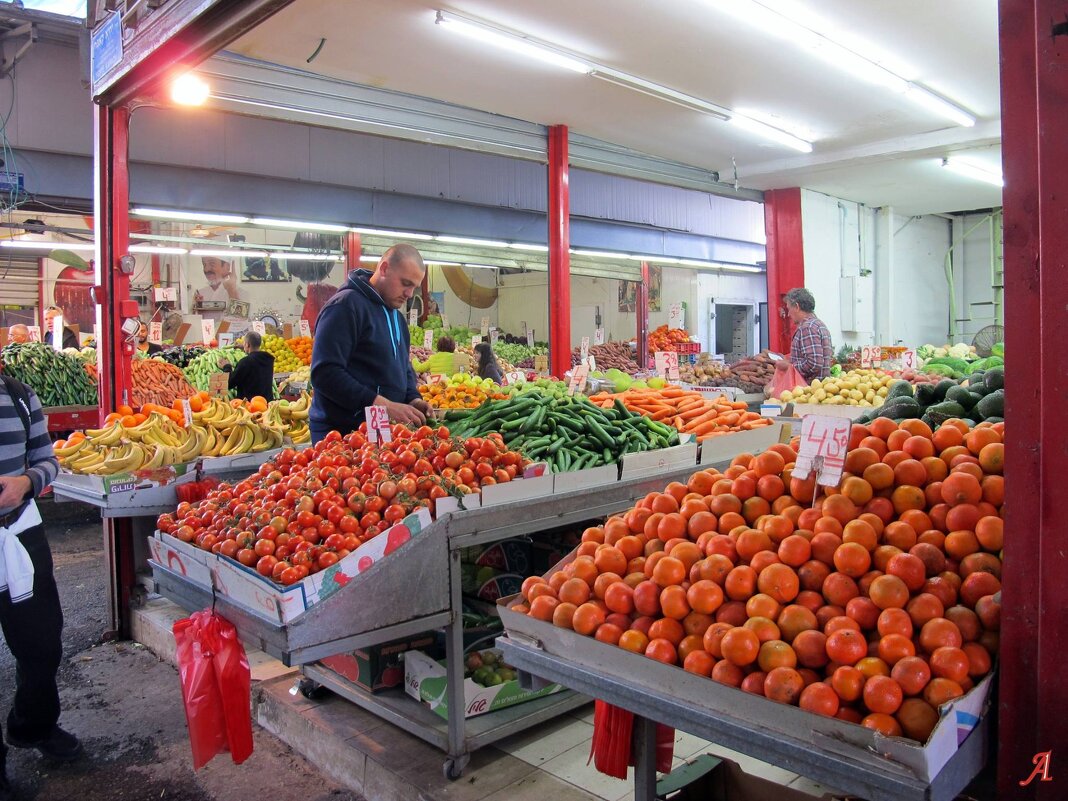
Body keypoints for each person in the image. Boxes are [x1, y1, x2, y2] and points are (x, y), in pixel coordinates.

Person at [0, 375, 83, 797]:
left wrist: (27, 483)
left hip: (21, 532)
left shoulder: (18, 395)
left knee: (42, 642)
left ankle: (33, 725)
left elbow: (47, 459)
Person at [310, 244, 432, 442]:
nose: (410, 294)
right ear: (384, 269)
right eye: (405, 283)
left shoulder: (397, 318)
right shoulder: (345, 307)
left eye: (414, 287)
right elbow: (325, 372)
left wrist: (413, 398)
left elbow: (404, 367)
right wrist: (380, 404)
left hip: (378, 432)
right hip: (340, 434)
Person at [778, 287, 833, 383]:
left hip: (809, 388)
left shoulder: (807, 328)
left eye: (789, 309)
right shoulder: (819, 324)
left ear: (797, 306)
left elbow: (814, 363)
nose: (788, 314)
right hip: (819, 387)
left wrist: (789, 367)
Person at [219, 331, 275, 401]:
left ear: (247, 345)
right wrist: (245, 347)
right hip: (265, 402)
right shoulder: (268, 360)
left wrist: (226, 366)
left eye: (244, 343)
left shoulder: (245, 362)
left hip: (250, 404)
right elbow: (255, 355)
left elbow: (229, 383)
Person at [193, 255, 240, 322]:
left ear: (227, 267)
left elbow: (240, 321)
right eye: (204, 265)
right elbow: (196, 321)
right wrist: (199, 309)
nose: (206, 269)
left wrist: (231, 290)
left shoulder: (241, 293)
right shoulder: (200, 293)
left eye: (212, 264)